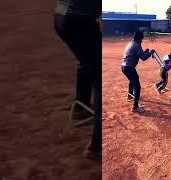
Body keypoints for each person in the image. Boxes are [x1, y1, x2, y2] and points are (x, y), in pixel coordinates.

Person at [54, 0, 100, 161]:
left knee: (87, 61)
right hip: (79, 20)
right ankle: (97, 146)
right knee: (100, 78)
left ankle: (82, 107)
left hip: (62, 15)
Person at [121, 31, 154, 113]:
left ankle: (129, 95)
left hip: (124, 66)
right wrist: (150, 53)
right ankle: (135, 107)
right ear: (139, 39)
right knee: (137, 86)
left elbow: (140, 54)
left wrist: (145, 52)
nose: (142, 41)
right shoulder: (136, 45)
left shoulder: (131, 43)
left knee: (132, 80)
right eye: (141, 39)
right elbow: (143, 58)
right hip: (129, 67)